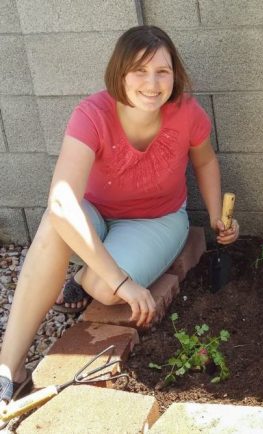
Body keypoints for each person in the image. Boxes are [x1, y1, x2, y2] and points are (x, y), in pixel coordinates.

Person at [0, 25, 239, 407]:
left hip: (155, 220)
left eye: (162, 71)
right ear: (119, 73)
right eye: (139, 71)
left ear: (174, 74)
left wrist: (215, 216)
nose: (152, 83)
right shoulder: (92, 114)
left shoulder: (186, 113)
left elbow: (206, 161)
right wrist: (125, 279)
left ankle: (84, 275)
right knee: (53, 223)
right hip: (95, 212)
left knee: (105, 289)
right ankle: (8, 370)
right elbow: (62, 201)